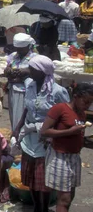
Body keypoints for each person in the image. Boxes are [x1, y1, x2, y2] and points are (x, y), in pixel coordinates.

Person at [14, 55, 70, 212]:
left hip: (46, 139)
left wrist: (54, 135)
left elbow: (65, 115)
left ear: (43, 72)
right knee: (30, 176)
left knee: (43, 178)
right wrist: (18, 127)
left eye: (33, 69)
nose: (29, 71)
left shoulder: (58, 91)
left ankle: (43, 208)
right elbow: (27, 108)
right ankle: (36, 206)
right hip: (29, 136)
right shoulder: (30, 85)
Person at [40, 83, 93, 212]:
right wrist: (70, 132)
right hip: (60, 156)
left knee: (71, 195)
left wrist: (85, 141)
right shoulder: (60, 109)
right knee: (65, 198)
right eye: (85, 102)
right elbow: (44, 131)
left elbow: (77, 134)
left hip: (74, 157)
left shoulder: (81, 113)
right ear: (75, 97)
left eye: (90, 103)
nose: (87, 106)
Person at [4, 33, 37, 131]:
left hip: (26, 91)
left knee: (22, 116)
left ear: (28, 46)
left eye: (21, 48)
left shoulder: (34, 57)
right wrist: (8, 71)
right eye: (17, 48)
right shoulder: (13, 56)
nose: (18, 51)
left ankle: (21, 136)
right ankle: (15, 134)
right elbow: (7, 69)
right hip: (13, 89)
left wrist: (25, 71)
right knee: (14, 115)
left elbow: (37, 72)